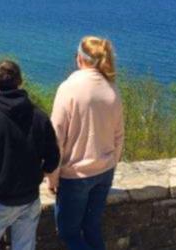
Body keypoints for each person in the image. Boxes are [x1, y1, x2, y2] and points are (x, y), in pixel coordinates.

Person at [0, 60, 60, 250]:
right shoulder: (39, 117)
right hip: (29, 197)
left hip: (0, 199)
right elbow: (53, 158)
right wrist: (39, 176)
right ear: (20, 82)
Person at [48, 36, 124, 250]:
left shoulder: (69, 88)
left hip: (76, 175)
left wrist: (52, 177)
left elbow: (56, 137)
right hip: (104, 170)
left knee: (69, 232)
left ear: (79, 58)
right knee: (91, 228)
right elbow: (119, 136)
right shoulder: (112, 89)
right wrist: (111, 163)